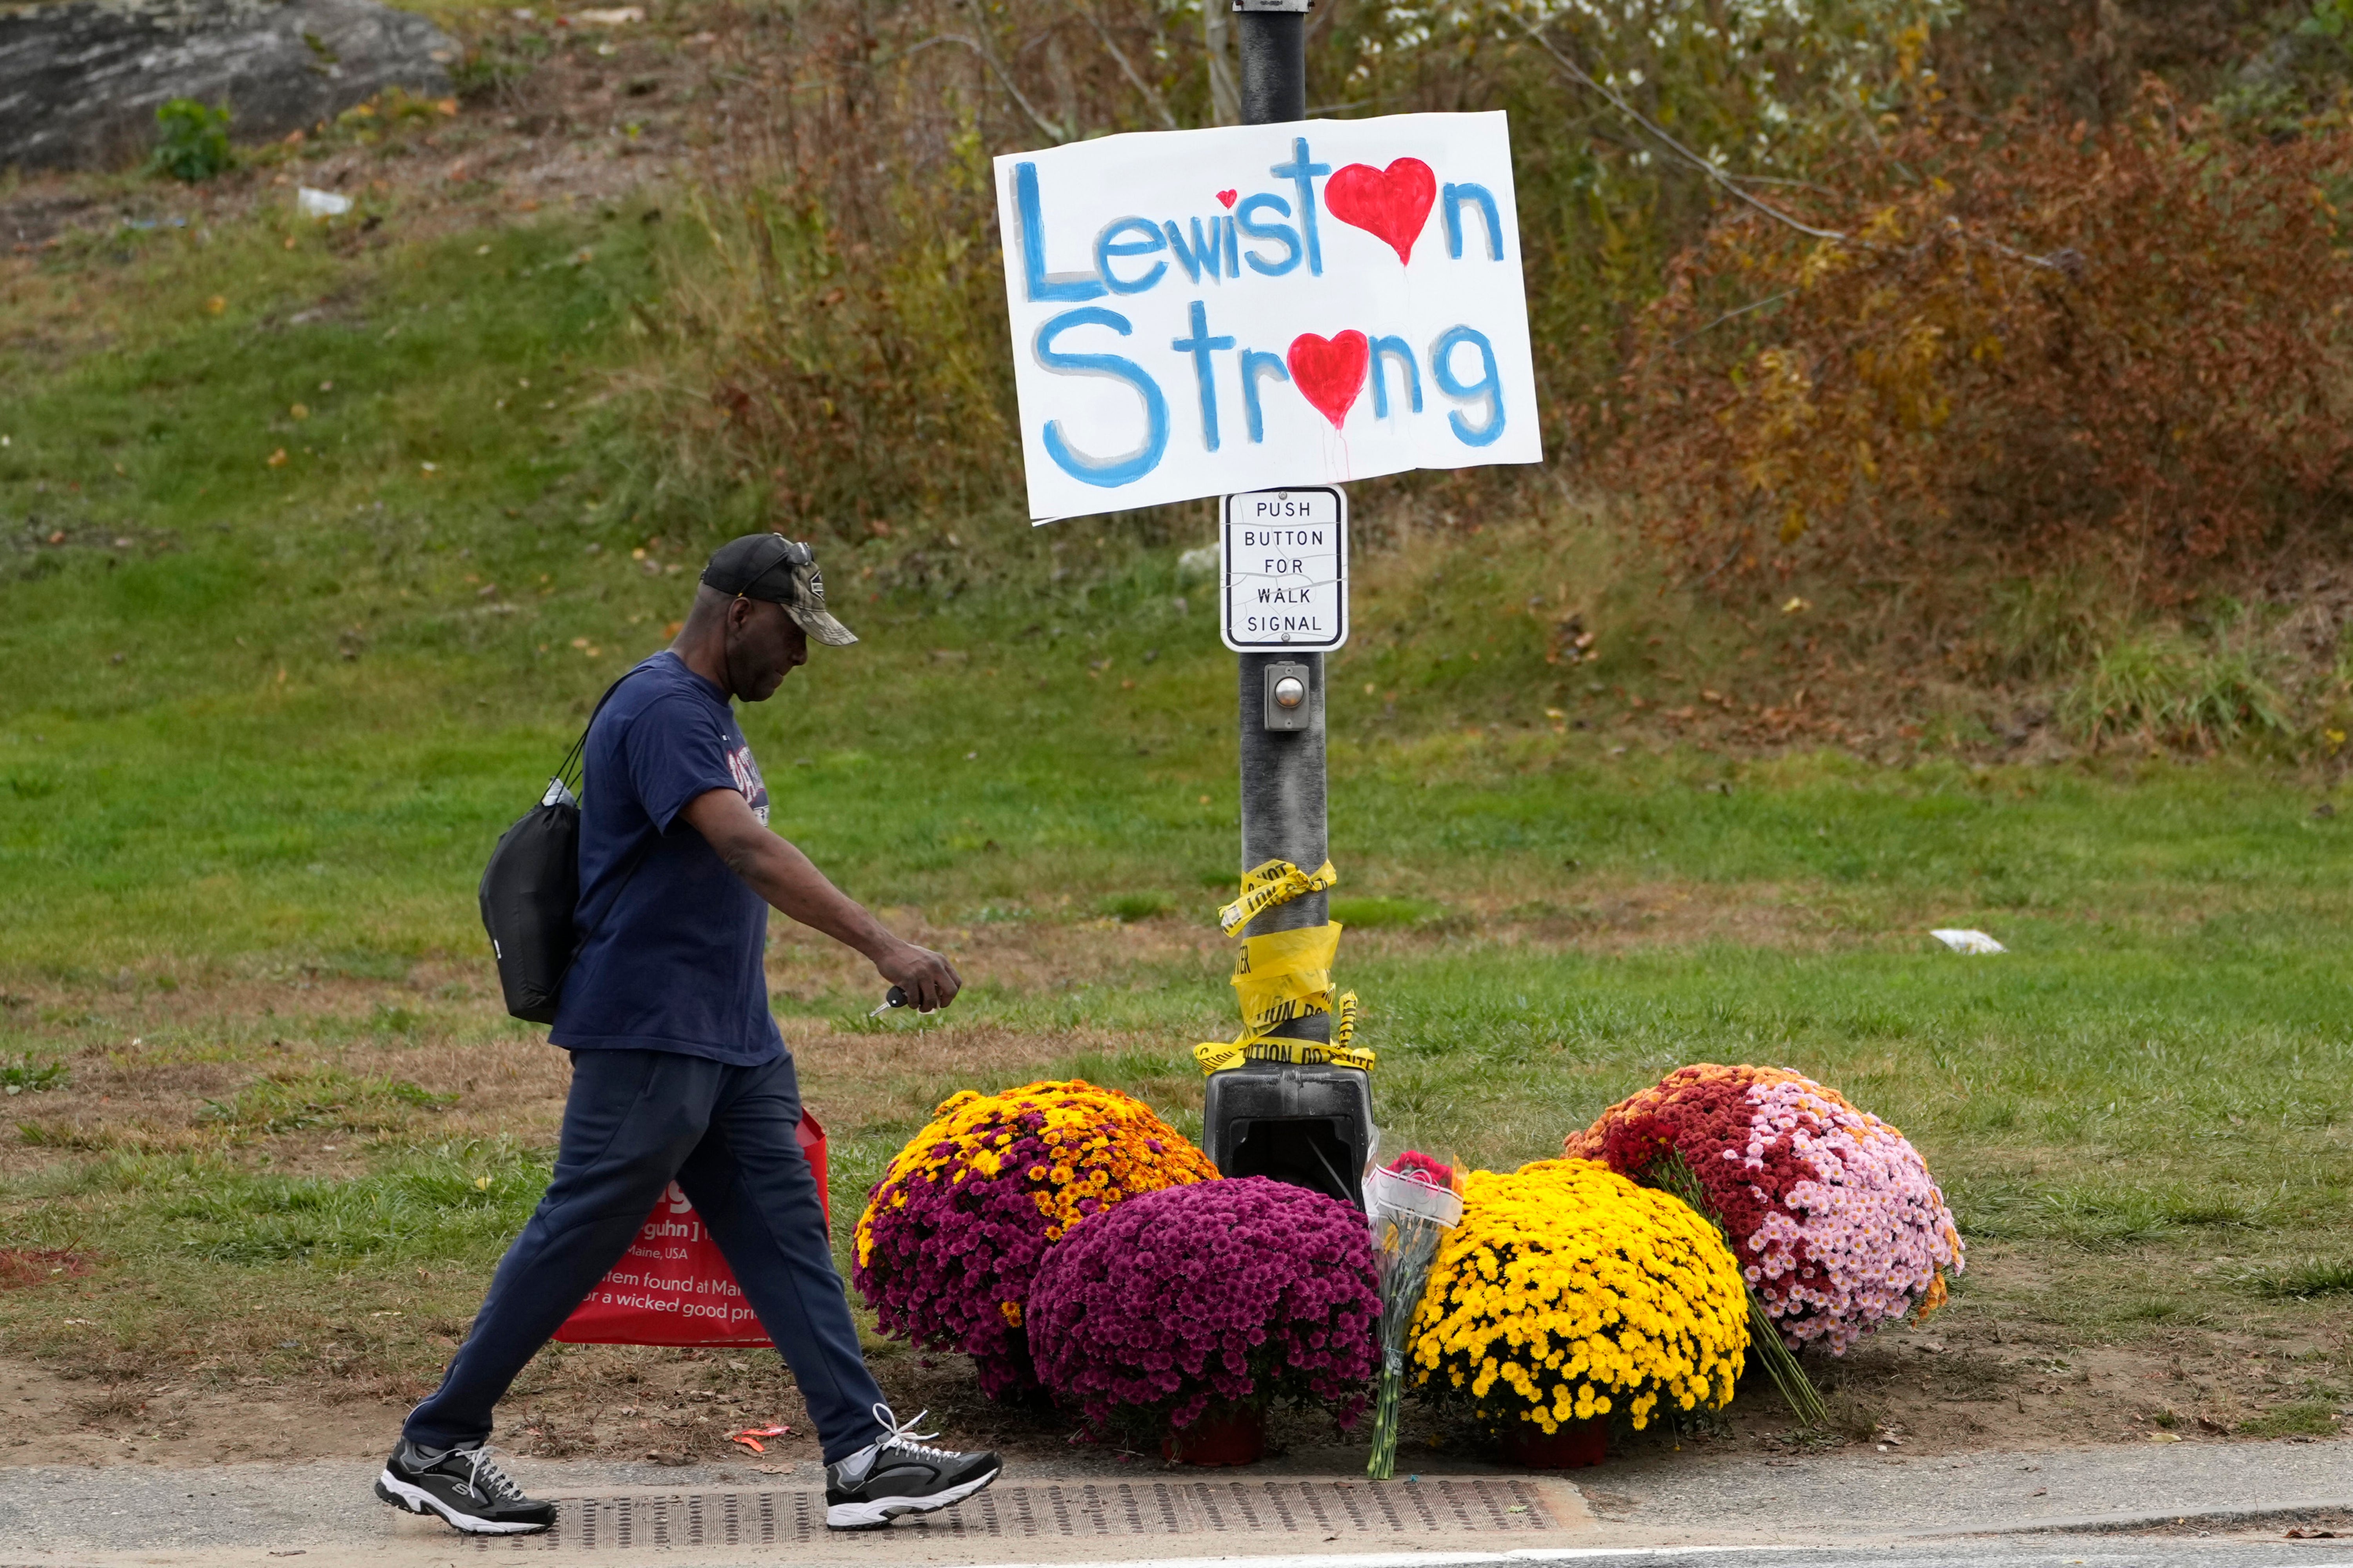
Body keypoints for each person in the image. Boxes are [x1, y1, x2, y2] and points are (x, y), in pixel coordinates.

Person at [374, 534, 999, 1536]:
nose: (800, 658)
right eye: (795, 635)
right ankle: (437, 1443)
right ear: (741, 613)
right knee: (583, 1224)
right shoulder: (663, 707)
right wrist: (884, 943)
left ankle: (862, 1450)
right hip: (649, 1024)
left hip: (728, 1031)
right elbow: (743, 845)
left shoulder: (703, 710)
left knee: (787, 1231)